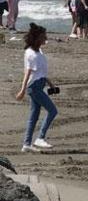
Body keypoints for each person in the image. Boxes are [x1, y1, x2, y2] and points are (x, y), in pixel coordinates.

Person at [15, 23, 58, 152]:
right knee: (53, 111)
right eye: (44, 36)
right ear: (38, 38)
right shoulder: (32, 55)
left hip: (39, 84)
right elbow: (27, 73)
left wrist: (50, 84)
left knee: (34, 116)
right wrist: (22, 90)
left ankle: (27, 144)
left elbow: (40, 73)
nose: (46, 38)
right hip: (34, 87)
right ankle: (40, 138)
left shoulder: (38, 51)